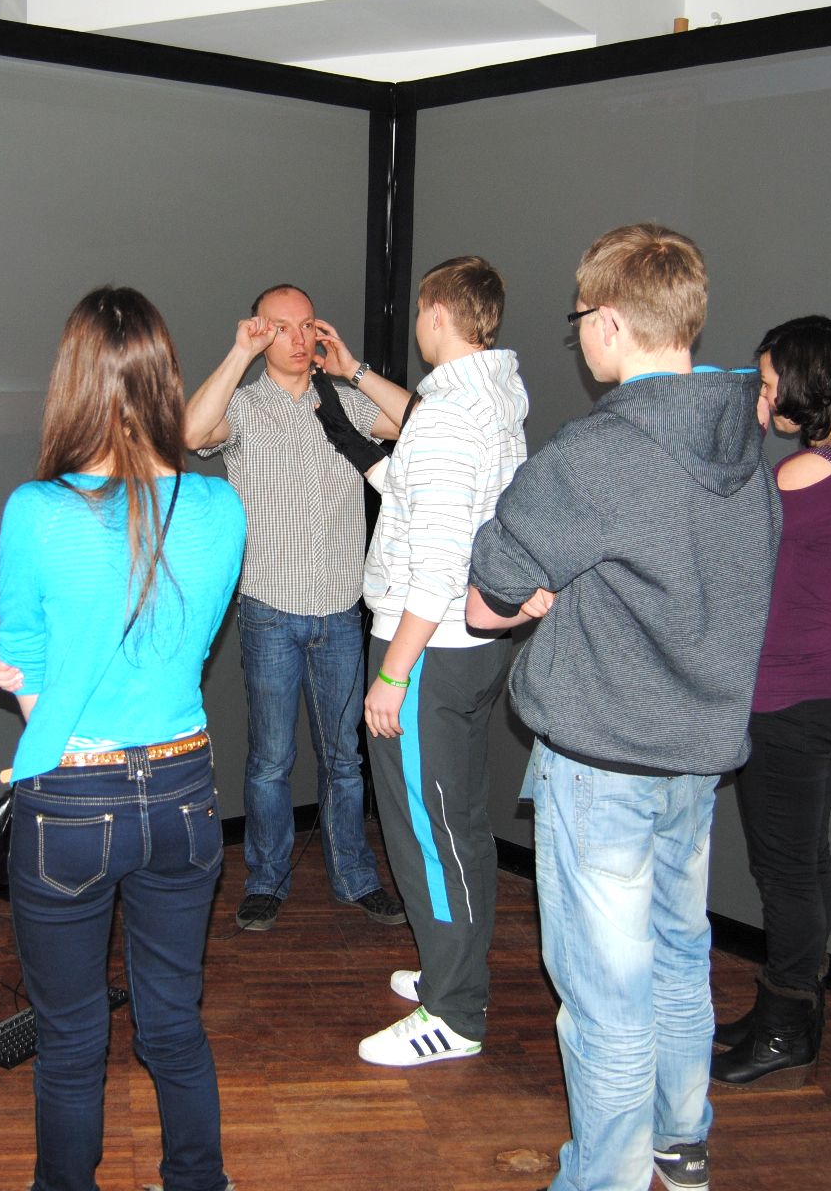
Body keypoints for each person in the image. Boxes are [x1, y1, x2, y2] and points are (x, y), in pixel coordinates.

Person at [467, 224, 780, 1191]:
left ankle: (603, 1179)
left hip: (605, 764)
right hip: (697, 757)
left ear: (606, 322)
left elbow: (486, 598)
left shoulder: (601, 454)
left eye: (578, 322)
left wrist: (542, 592)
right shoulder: (744, 438)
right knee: (680, 957)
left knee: (606, 996)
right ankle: (681, 1144)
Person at [0, 286, 246, 1191]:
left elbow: (26, 668)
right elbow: (185, 648)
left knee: (70, 1040)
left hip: (73, 798)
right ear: (165, 380)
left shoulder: (36, 510)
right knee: (173, 1022)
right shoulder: (221, 507)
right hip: (184, 793)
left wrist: (35, 694)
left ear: (74, 383)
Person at [183, 284, 409, 931]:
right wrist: (238, 354)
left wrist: (354, 369)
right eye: (281, 327)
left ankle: (355, 877)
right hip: (270, 611)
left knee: (345, 759)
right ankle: (266, 880)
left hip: (340, 610)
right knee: (270, 760)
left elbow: (425, 423)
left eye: (307, 324)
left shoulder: (345, 403)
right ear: (259, 331)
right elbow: (192, 432)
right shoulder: (243, 406)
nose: (299, 337)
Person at [352, 255, 528, 1068]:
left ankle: (455, 1011)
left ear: (436, 315)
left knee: (429, 831)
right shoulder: (494, 395)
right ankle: (448, 967)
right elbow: (436, 500)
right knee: (456, 823)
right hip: (467, 645)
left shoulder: (449, 415)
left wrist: (393, 673)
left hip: (427, 647)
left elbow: (439, 562)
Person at [711, 315, 831, 1089]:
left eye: (768, 381)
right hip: (819, 688)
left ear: (804, 382)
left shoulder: (806, 471)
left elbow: (723, 532)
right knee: (804, 864)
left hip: (789, 696)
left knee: (785, 871)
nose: (762, 394)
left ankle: (785, 1030)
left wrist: (742, 430)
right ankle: (788, 1015)